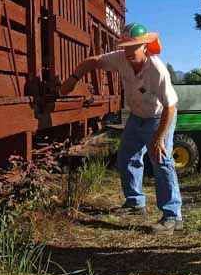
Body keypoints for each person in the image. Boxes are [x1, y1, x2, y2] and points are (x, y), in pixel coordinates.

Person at [60, 22, 183, 235]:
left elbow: (170, 107)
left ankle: (172, 216)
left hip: (159, 117)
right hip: (137, 117)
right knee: (126, 156)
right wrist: (73, 79)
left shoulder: (157, 70)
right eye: (125, 46)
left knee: (161, 160)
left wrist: (159, 138)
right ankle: (135, 202)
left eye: (133, 47)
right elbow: (94, 61)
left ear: (145, 46)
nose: (128, 52)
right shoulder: (120, 58)